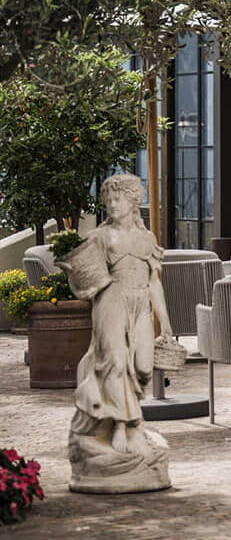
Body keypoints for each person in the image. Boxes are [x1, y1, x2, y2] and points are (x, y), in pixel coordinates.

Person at [63, 173, 172, 493]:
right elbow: (82, 276)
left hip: (139, 305)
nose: (112, 204)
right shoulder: (100, 237)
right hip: (111, 302)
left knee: (142, 367)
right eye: (108, 200)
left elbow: (154, 283)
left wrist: (164, 322)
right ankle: (124, 427)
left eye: (118, 199)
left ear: (133, 202)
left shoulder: (147, 239)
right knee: (114, 361)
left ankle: (127, 422)